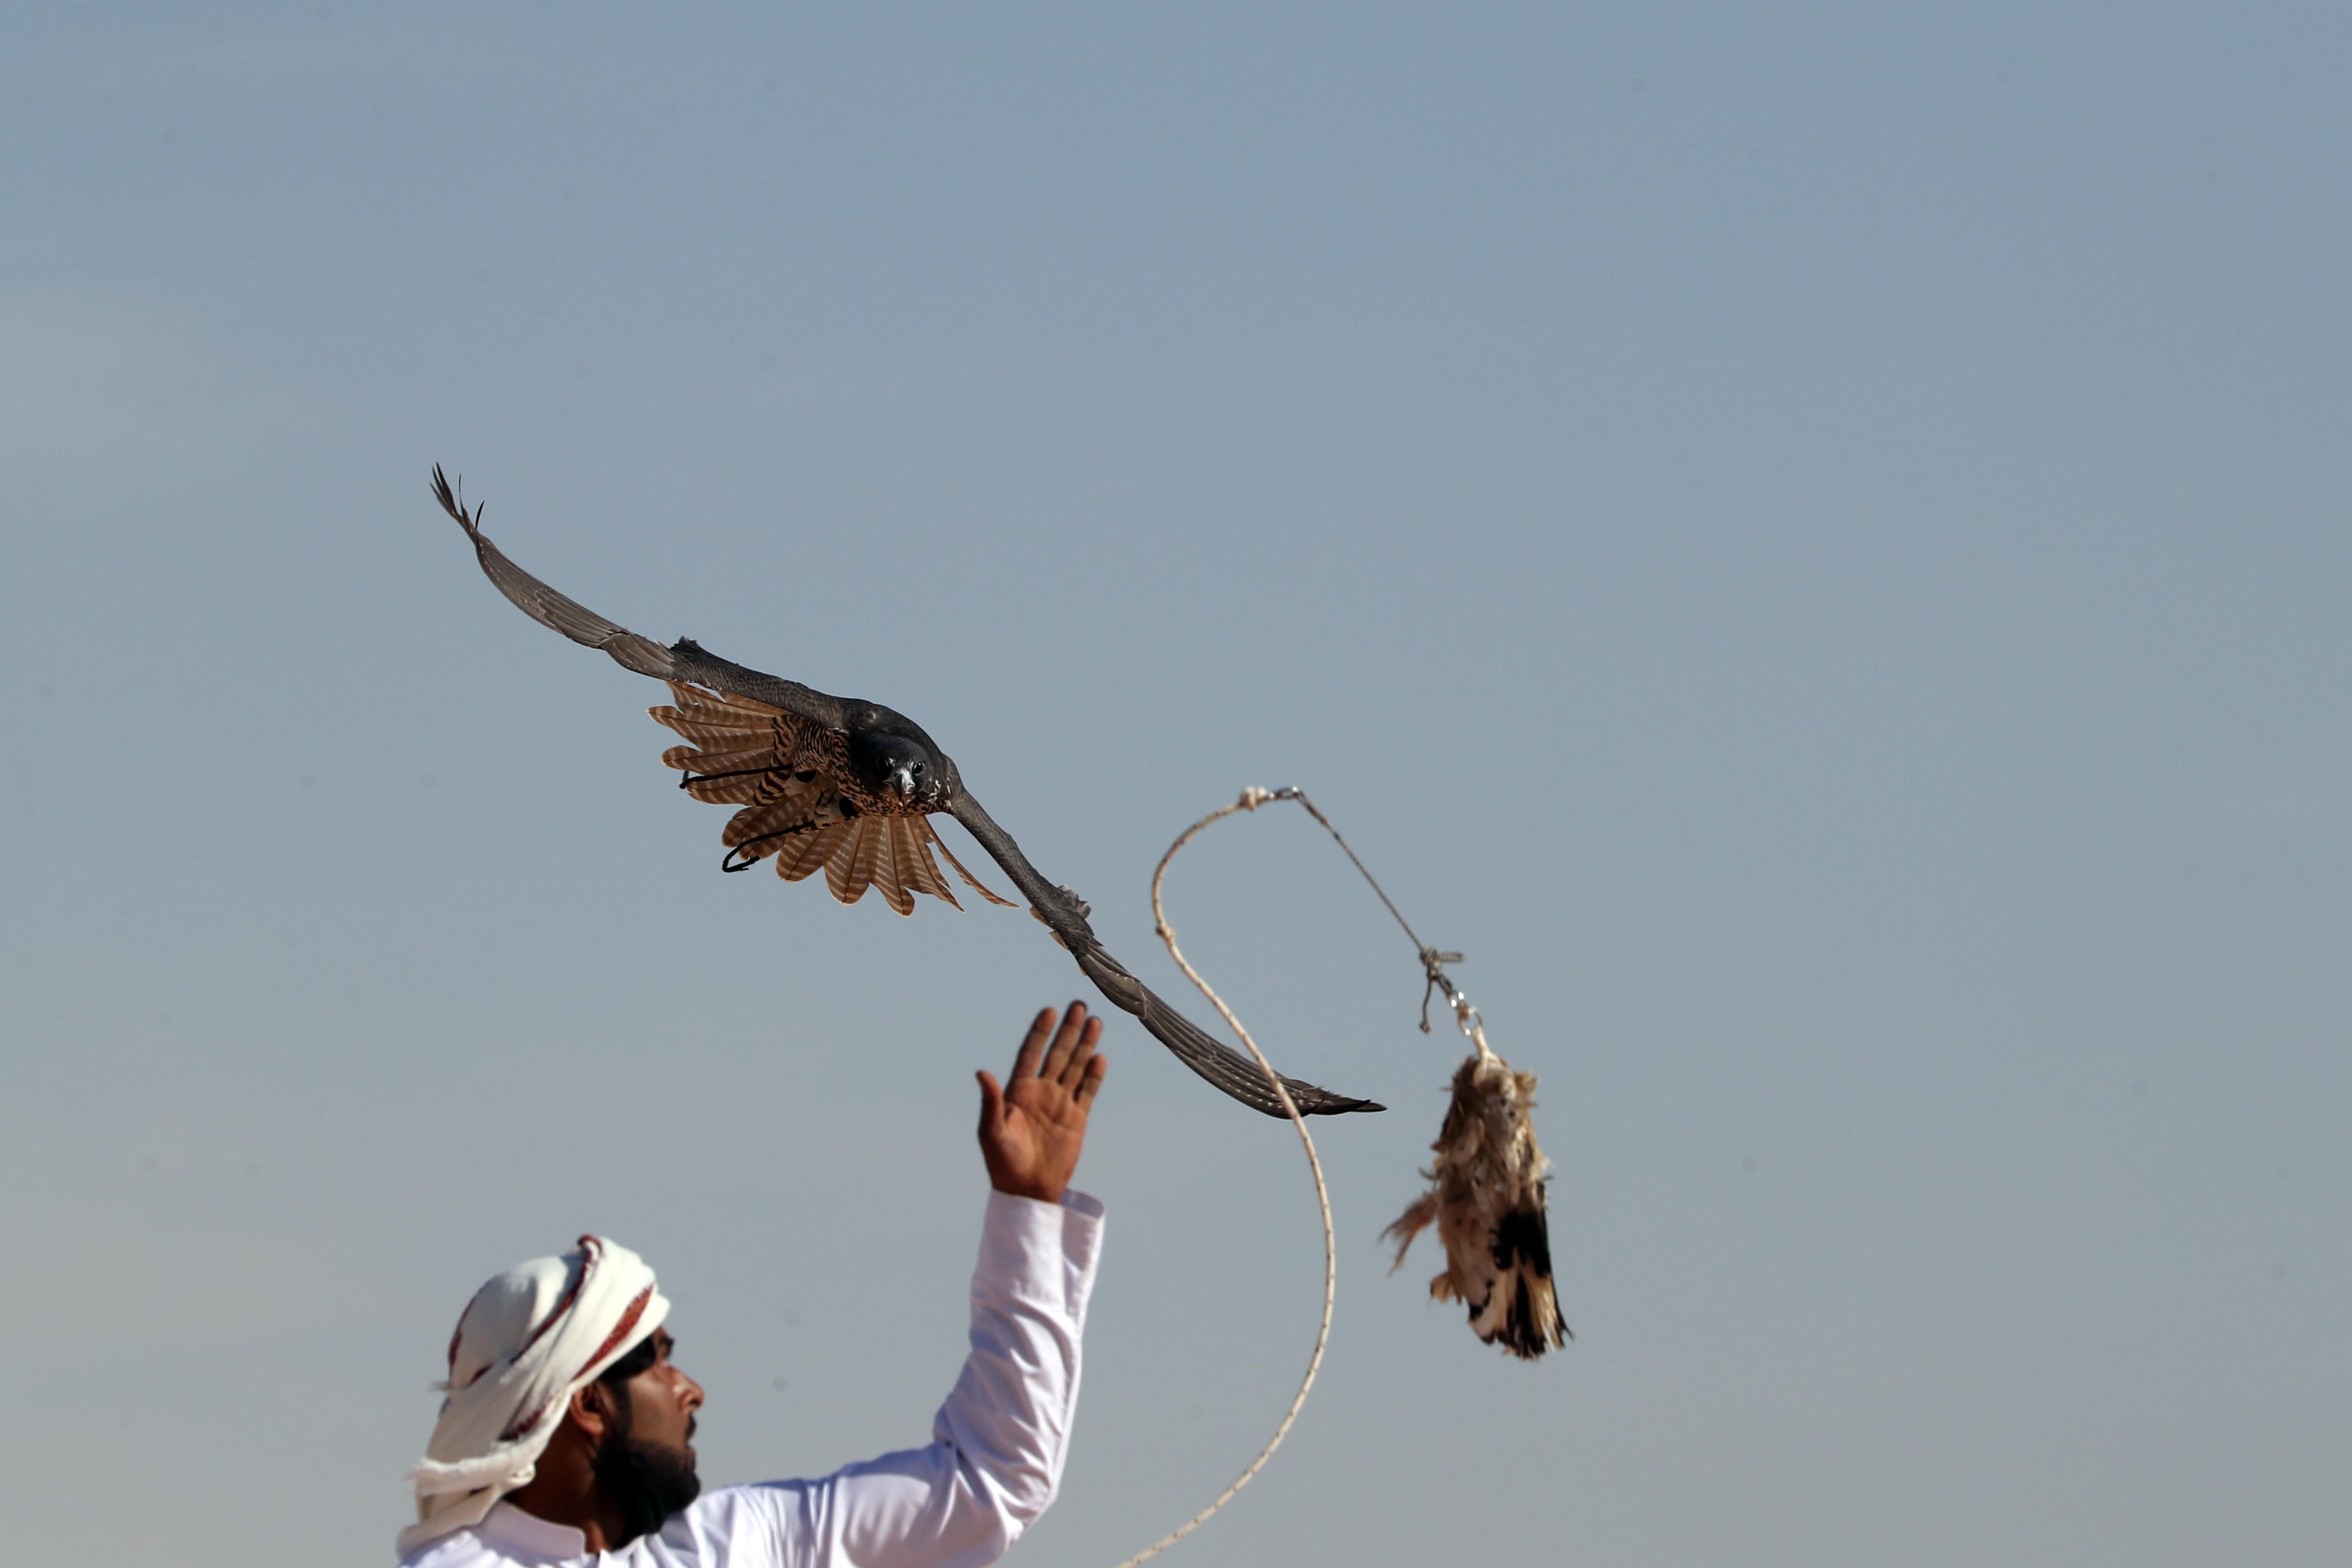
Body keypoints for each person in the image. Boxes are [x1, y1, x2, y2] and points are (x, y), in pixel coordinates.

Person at [398, 1002, 1109, 1568]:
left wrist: (1028, 1211)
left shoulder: (736, 1545)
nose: (691, 1390)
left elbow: (990, 1484)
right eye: (660, 1361)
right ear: (586, 1403)